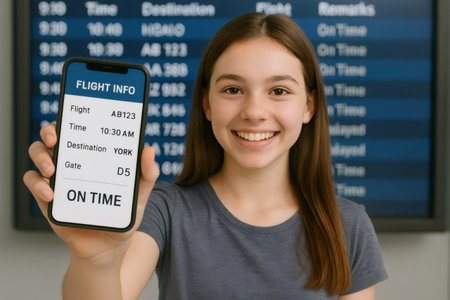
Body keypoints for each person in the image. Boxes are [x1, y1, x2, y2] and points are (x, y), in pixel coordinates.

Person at [23, 13, 387, 300]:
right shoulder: (164, 209)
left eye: (278, 90)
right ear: (206, 104)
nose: (254, 111)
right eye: (232, 89)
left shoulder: (349, 226)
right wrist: (95, 259)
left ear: (309, 105)